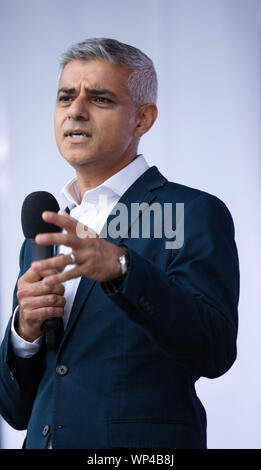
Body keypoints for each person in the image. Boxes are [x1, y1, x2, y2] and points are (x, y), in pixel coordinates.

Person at [0, 38, 239, 449]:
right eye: (65, 97)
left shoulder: (189, 212)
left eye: (100, 98)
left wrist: (124, 269)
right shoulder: (46, 230)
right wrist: (25, 332)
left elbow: (214, 350)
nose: (75, 110)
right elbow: (17, 411)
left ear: (143, 119)